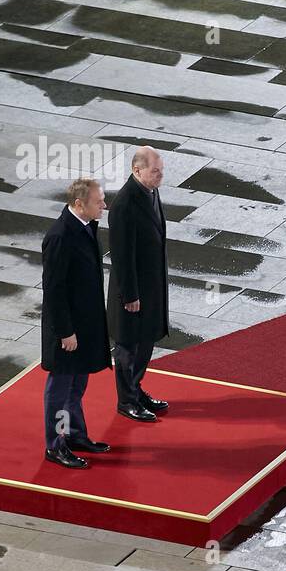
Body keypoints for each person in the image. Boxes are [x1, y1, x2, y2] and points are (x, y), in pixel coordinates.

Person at [41, 177, 112, 469]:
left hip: (83, 328)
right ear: (79, 203)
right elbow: (54, 289)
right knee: (60, 390)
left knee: (76, 386)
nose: (104, 206)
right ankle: (56, 446)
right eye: (99, 202)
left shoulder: (83, 227)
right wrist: (65, 332)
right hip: (67, 332)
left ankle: (75, 435)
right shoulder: (60, 236)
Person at [106, 146, 171, 421]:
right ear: (137, 170)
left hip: (151, 287)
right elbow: (122, 256)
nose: (160, 176)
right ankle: (127, 401)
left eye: (161, 171)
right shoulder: (124, 205)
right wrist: (130, 295)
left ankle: (135, 388)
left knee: (146, 342)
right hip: (132, 292)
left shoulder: (150, 192)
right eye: (155, 172)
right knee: (128, 347)